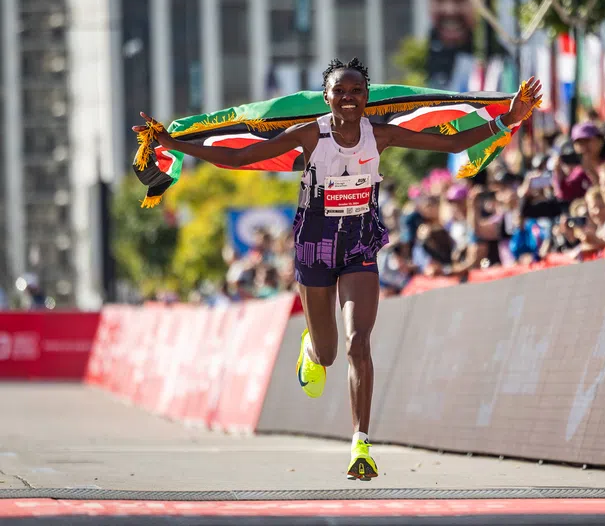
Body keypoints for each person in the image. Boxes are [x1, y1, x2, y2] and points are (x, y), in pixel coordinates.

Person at [132, 58, 542, 481]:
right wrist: (175, 144)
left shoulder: (378, 135)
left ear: (367, 99)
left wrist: (507, 119)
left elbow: (451, 145)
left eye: (356, 91)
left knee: (358, 343)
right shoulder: (310, 134)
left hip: (360, 243)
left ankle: (360, 444)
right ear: (326, 98)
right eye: (339, 92)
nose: (348, 98)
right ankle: (312, 346)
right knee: (328, 354)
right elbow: (245, 156)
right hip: (314, 246)